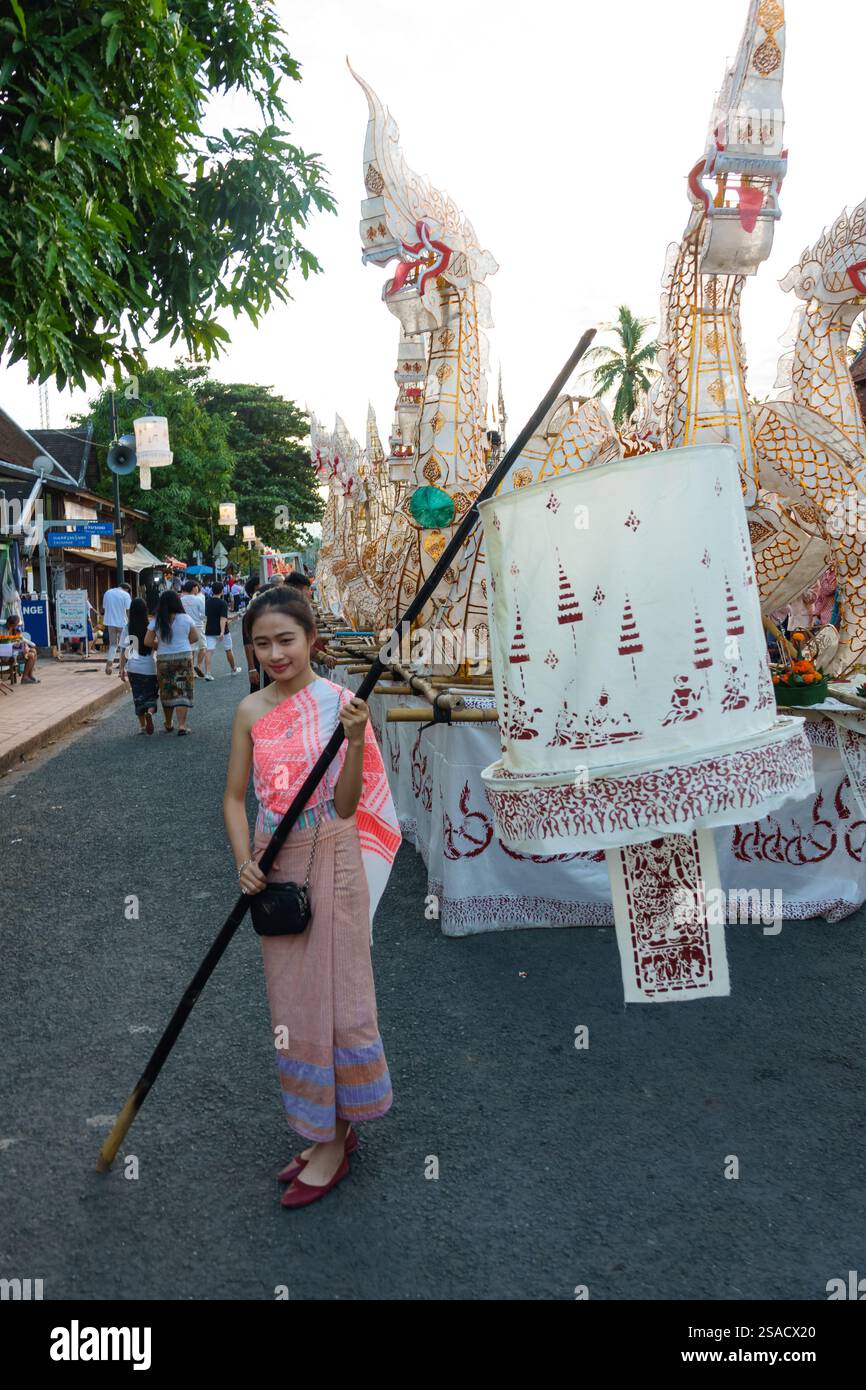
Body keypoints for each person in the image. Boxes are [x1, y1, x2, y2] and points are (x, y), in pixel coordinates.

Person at [223, 589, 401, 1209]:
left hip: (334, 854)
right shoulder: (248, 711)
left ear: (312, 642)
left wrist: (354, 741)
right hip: (276, 860)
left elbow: (350, 804)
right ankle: (326, 1125)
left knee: (341, 991)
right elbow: (233, 798)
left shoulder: (340, 705)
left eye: (286, 640)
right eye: (262, 643)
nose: (275, 653)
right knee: (293, 997)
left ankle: (335, 1137)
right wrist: (245, 861)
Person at [143, 590, 198, 734]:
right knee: (182, 691)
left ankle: (168, 723)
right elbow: (195, 638)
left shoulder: (156, 620)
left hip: (163, 659)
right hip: (184, 658)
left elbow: (147, 641)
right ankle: (182, 725)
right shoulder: (185, 618)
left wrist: (160, 645)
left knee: (167, 691)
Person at [119, 598, 158, 734]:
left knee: (138, 697)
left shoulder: (127, 627)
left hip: (133, 668)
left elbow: (124, 651)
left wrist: (121, 669)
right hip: (149, 667)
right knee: (151, 696)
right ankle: (150, 713)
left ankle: (142, 727)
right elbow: (157, 645)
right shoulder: (151, 626)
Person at [203, 580, 241, 679]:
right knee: (228, 649)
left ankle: (208, 673)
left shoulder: (207, 602)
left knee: (209, 651)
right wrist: (222, 631)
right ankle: (233, 669)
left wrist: (230, 618)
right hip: (222, 631)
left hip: (210, 629)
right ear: (222, 591)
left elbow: (209, 616)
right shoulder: (222, 603)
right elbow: (222, 618)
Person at [102, 581, 132, 674]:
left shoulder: (108, 592)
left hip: (110, 622)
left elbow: (104, 607)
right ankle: (122, 669)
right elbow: (128, 609)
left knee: (113, 644)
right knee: (125, 646)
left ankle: (109, 665)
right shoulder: (125, 595)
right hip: (122, 623)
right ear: (127, 589)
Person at [180, 579, 207, 677]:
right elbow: (204, 614)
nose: (198, 589)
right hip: (198, 626)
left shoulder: (181, 600)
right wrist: (201, 619)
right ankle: (198, 666)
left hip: (185, 627)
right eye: (196, 587)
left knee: (191, 649)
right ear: (193, 588)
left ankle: (190, 669)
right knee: (203, 647)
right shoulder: (198, 599)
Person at [3, 614, 39, 683]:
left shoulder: (14, 630)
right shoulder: (3, 631)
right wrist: (21, 647)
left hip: (14, 652)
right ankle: (24, 678)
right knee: (31, 655)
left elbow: (19, 639)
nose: (16, 626)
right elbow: (7, 645)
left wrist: (26, 646)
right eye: (15, 625)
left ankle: (30, 675)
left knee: (33, 650)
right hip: (6, 654)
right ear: (10, 624)